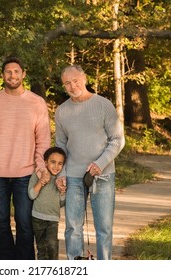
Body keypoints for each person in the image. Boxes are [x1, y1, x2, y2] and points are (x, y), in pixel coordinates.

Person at [0, 56, 51, 260]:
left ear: (23, 74)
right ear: (2, 75)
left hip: (26, 173)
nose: (12, 75)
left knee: (24, 222)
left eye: (16, 71)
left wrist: (41, 167)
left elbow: (43, 141)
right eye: (8, 71)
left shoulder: (36, 103)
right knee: (1, 223)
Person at [55, 65, 125, 260]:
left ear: (84, 79)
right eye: (67, 83)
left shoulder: (103, 105)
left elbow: (118, 139)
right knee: (73, 227)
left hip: (102, 175)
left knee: (104, 228)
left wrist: (99, 163)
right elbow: (60, 145)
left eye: (75, 80)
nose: (72, 85)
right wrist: (61, 174)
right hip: (73, 176)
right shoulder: (61, 111)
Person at [28, 147, 66, 260]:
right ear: (45, 162)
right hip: (37, 218)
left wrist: (62, 191)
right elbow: (31, 195)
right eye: (53, 162)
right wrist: (41, 182)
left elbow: (61, 203)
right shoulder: (37, 175)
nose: (56, 166)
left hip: (52, 219)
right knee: (41, 248)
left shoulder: (60, 179)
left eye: (60, 163)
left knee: (52, 245)